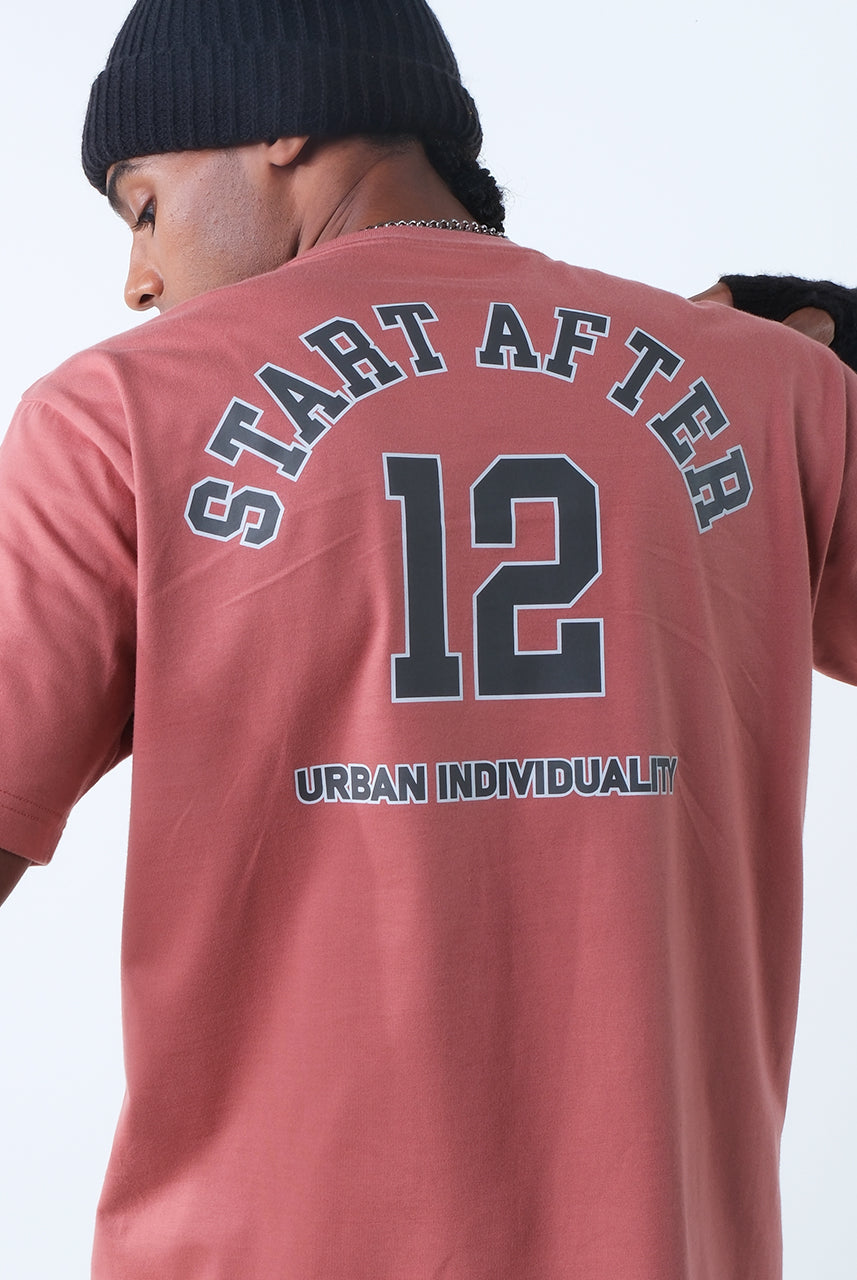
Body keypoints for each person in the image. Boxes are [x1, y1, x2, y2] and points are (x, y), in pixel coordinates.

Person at [1, 0, 855, 1276]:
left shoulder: (114, 414)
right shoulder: (772, 390)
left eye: (142, 205)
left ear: (276, 124)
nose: (137, 278)